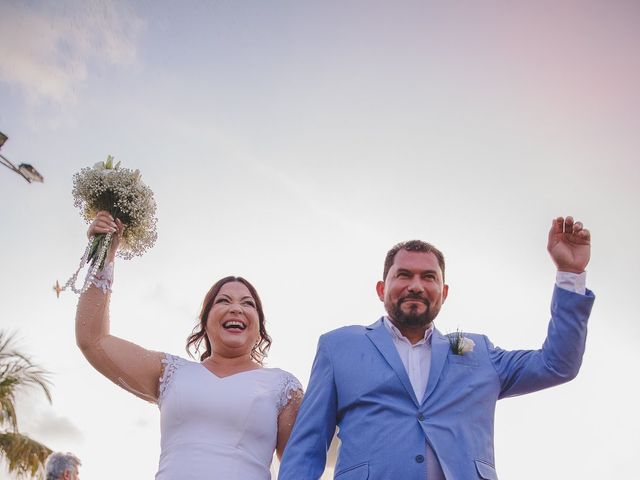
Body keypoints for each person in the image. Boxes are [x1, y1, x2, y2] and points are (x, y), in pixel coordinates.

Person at [279, 216, 595, 479]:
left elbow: (558, 364)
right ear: (381, 289)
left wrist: (570, 275)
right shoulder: (339, 347)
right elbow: (305, 448)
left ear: (443, 293)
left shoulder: (480, 352)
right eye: (404, 275)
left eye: (428, 277)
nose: (416, 285)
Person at [76, 211, 303, 479]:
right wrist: (103, 253)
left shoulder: (283, 387)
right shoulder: (170, 372)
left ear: (259, 328)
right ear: (205, 322)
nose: (236, 309)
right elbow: (93, 340)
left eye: (247, 304)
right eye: (223, 301)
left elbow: (298, 467)